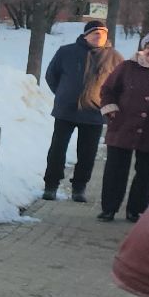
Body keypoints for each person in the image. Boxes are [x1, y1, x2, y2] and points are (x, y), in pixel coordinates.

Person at [97, 31, 149, 222]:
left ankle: (136, 210)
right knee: (115, 170)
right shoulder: (127, 67)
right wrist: (111, 109)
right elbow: (108, 90)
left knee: (146, 173)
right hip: (122, 125)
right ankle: (109, 208)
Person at [42, 20, 122, 202]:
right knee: (57, 150)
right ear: (86, 35)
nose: (99, 36)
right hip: (66, 111)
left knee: (87, 154)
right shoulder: (66, 52)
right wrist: (63, 93)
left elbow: (120, 85)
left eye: (103, 33)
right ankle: (51, 186)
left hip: (94, 113)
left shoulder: (114, 57)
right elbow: (51, 75)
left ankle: (79, 188)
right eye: (95, 33)